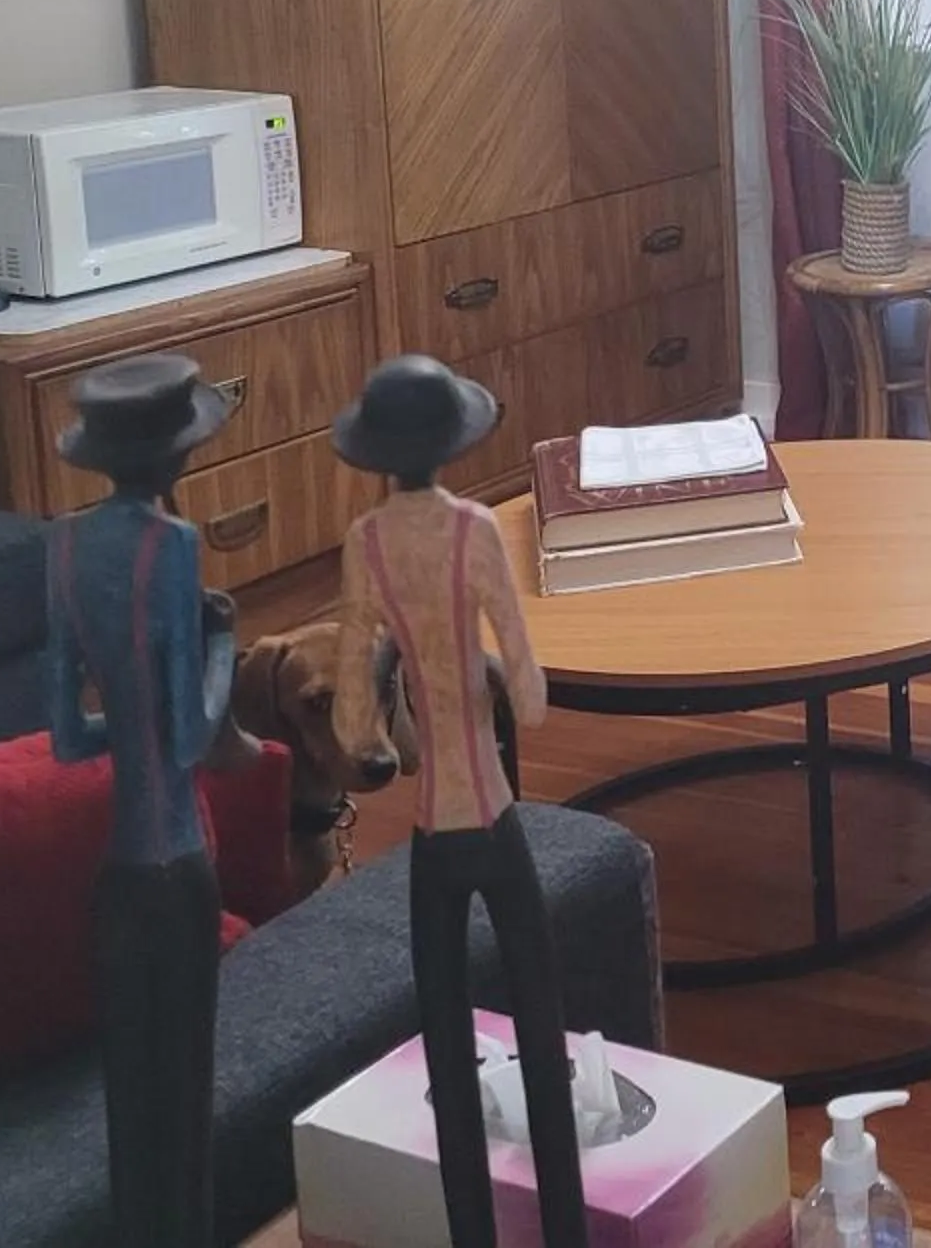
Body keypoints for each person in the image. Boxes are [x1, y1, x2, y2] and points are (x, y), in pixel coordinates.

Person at [331, 355, 584, 1248]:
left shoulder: (366, 543)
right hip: (493, 802)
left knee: (444, 1033)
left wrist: (369, 739)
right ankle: (563, 1226)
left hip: (431, 821)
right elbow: (528, 678)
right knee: (540, 1026)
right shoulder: (474, 529)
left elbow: (355, 696)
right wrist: (516, 693)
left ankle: (471, 1231)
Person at [44, 353, 239, 1248]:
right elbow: (195, 737)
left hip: (113, 877)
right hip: (175, 862)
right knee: (186, 1096)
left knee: (130, 1103)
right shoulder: (176, 548)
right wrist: (222, 644)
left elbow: (67, 737)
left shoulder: (68, 543)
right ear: (179, 458)